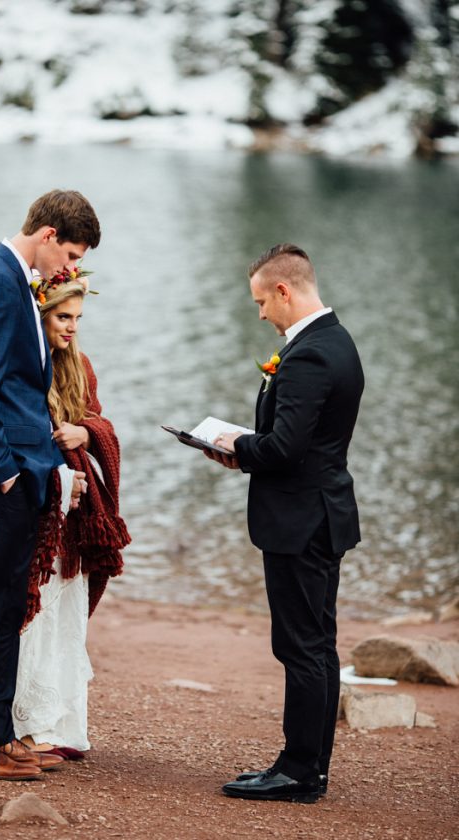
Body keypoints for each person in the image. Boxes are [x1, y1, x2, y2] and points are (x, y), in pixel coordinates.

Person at [0, 190, 101, 780]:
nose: (71, 270)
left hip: (29, 477)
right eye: (71, 254)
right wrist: (5, 472)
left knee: (9, 609)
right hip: (1, 479)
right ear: (49, 233)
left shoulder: (18, 282)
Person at [205, 243, 364, 803]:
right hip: (322, 514)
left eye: (260, 303)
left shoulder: (310, 355)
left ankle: (298, 771)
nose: (261, 315)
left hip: (301, 521)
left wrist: (234, 445)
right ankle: (309, 767)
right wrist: (248, 448)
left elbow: (285, 448)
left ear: (284, 291)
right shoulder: (337, 341)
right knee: (317, 645)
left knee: (301, 647)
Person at [12, 276, 130, 757]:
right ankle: (28, 723)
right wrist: (60, 471)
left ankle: (63, 725)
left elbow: (99, 419)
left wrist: (84, 432)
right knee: (35, 608)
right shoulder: (27, 364)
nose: (71, 328)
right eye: (63, 317)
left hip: (78, 510)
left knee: (66, 606)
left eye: (78, 319)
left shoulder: (80, 365)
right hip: (45, 501)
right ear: (41, 315)